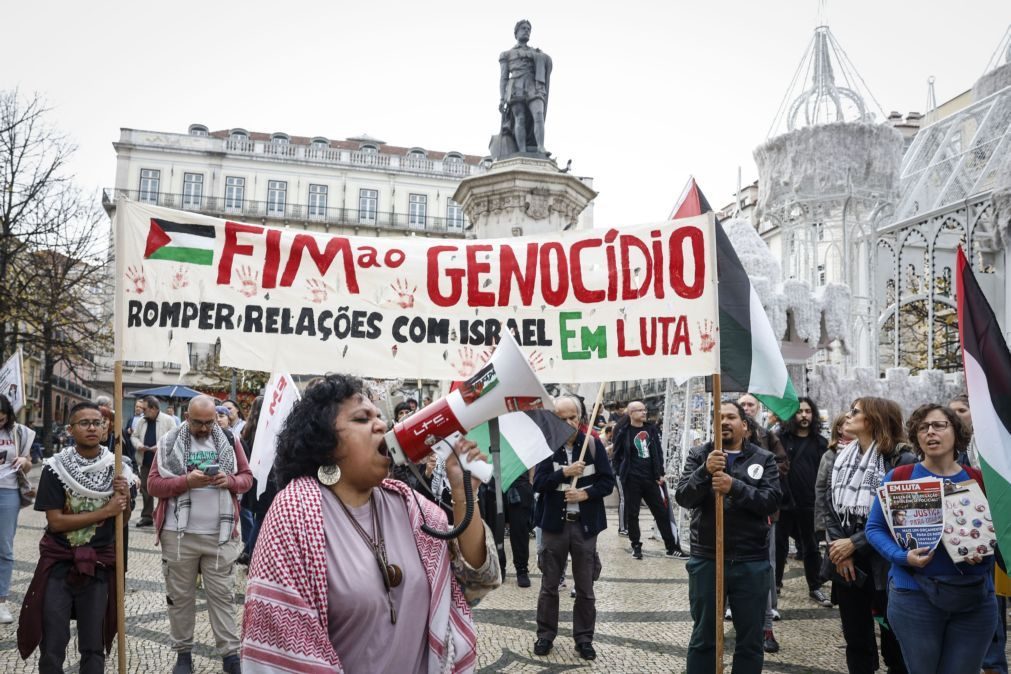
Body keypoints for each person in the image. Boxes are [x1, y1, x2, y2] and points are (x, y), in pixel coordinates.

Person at [241, 374, 499, 672]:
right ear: (325, 442)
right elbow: (283, 644)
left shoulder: (409, 506)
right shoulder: (295, 513)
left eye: (381, 417)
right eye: (363, 419)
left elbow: (479, 581)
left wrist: (462, 491)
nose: (382, 425)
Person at [865, 404, 996, 673]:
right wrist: (903, 557)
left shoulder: (980, 481)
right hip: (914, 596)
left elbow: (999, 532)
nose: (930, 433)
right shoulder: (900, 478)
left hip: (974, 596)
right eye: (923, 428)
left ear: (956, 433)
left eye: (939, 425)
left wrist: (986, 550)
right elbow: (874, 529)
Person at [17, 401, 131, 673]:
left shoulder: (118, 467)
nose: (92, 427)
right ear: (70, 430)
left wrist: (124, 498)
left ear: (105, 429)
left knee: (94, 645)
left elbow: (121, 521)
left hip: (98, 567)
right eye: (84, 423)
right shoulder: (55, 468)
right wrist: (107, 509)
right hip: (60, 564)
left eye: (98, 423)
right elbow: (56, 522)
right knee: (53, 643)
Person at [147, 395, 252, 674]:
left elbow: (247, 478)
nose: (205, 429)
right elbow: (153, 485)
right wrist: (185, 482)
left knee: (223, 597)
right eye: (198, 423)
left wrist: (228, 481)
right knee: (180, 597)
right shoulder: (169, 441)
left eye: (209, 422)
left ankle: (230, 656)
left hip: (220, 535)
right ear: (187, 417)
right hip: (178, 535)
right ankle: (183, 654)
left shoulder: (230, 440)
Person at [675, 401, 781, 674]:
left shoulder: (764, 458)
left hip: (751, 560)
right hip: (707, 558)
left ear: (744, 425)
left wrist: (735, 487)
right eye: (718, 417)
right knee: (704, 635)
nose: (724, 422)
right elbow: (684, 497)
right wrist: (704, 471)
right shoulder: (700, 455)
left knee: (750, 638)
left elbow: (770, 502)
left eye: (731, 417)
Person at [823, 397, 913, 674]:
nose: (847, 417)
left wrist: (854, 543)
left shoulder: (901, 460)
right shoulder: (842, 458)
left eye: (855, 412)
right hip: (848, 564)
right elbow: (829, 505)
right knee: (857, 640)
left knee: (895, 643)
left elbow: (901, 517)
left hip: (885, 564)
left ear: (872, 420)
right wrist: (840, 550)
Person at [532, 396, 615, 661]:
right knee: (549, 585)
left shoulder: (592, 445)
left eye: (573, 417)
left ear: (580, 418)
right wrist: (564, 472)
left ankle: (584, 639)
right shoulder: (546, 445)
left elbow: (607, 483)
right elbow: (538, 484)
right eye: (562, 418)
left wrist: (585, 495)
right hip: (554, 527)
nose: (568, 423)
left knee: (585, 588)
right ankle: (545, 636)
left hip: (584, 527)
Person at [776, 397, 831, 607]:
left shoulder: (820, 442)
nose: (804, 415)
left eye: (808, 411)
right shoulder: (781, 439)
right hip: (784, 501)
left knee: (811, 546)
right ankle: (776, 583)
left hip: (810, 502)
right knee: (779, 545)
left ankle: (815, 586)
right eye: (800, 412)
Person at [612, 400, 685, 559]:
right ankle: (636, 545)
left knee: (661, 512)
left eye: (644, 410)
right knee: (633, 514)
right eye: (639, 410)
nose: (644, 413)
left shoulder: (651, 429)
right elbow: (616, 456)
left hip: (651, 479)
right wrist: (622, 473)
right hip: (632, 480)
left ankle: (671, 547)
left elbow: (657, 452)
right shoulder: (624, 432)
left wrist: (660, 473)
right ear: (631, 414)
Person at [1, 394, 34, 624]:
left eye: (2, 418)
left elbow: (29, 463)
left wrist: (24, 462)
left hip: (8, 492)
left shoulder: (18, 433)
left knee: (4, 548)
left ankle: (1, 601)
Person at [497, 19, 552, 157]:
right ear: (516, 33)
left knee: (538, 114)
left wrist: (543, 58)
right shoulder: (506, 54)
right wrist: (502, 98)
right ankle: (522, 150)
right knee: (519, 118)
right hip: (516, 85)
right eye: (523, 28)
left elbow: (547, 63)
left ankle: (540, 147)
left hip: (534, 85)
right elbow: (503, 78)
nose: (526, 31)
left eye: (529, 29)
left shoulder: (537, 53)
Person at [130, 396, 175, 527]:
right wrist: (138, 445)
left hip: (164, 462)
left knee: (165, 489)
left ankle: (165, 515)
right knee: (145, 489)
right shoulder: (141, 421)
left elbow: (175, 437)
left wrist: (160, 447)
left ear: (154, 408)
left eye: (145, 408)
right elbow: (134, 436)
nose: (142, 411)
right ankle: (147, 516)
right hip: (145, 460)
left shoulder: (168, 420)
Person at [237, 396, 263, 566]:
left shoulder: (247, 429)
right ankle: (249, 551)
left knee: (254, 516)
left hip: (252, 479)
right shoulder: (265, 429)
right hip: (263, 481)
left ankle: (248, 549)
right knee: (260, 517)